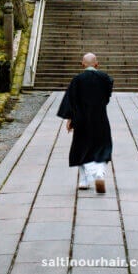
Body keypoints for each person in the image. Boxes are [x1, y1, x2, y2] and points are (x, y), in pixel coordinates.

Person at [57, 52, 113, 193]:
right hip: (100, 118)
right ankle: (99, 172)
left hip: (81, 119)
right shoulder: (105, 78)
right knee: (102, 146)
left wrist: (70, 119)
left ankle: (84, 180)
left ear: (82, 64)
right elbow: (107, 98)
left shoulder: (77, 80)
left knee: (81, 147)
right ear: (97, 64)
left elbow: (71, 100)